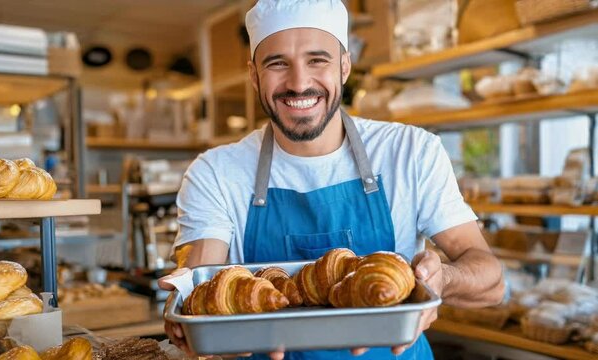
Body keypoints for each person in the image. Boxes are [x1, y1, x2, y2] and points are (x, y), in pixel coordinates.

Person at [159, 1, 505, 359]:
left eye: (317, 60)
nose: (298, 83)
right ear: (253, 74)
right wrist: (188, 307)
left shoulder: (411, 151)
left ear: (344, 66)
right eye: (277, 63)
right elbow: (202, 283)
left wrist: (440, 281)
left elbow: (491, 281)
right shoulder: (216, 172)